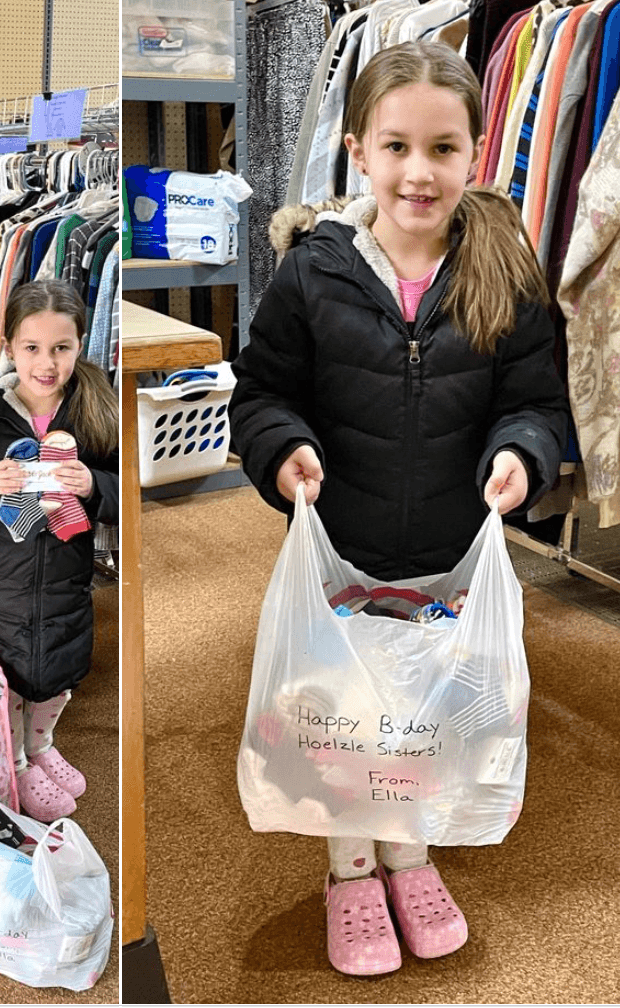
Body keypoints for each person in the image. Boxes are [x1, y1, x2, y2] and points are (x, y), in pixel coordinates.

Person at [229, 41, 569, 976]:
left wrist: (521, 453)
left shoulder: (505, 270)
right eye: (395, 147)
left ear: (474, 151)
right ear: (357, 152)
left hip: (451, 553)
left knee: (423, 715)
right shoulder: (312, 274)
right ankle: (349, 871)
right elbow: (259, 393)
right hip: (344, 545)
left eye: (443, 149)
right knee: (343, 715)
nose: (419, 173)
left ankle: (410, 855)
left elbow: (537, 402)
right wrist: (280, 447)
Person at [0, 279, 119, 822]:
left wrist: (94, 486)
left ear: (82, 344)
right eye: (32, 348)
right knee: (3, 683)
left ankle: (39, 746)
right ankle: (9, 760)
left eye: (62, 347)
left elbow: (126, 491)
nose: (47, 364)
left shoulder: (95, 408)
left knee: (56, 676)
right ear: (9, 347)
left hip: (66, 585)